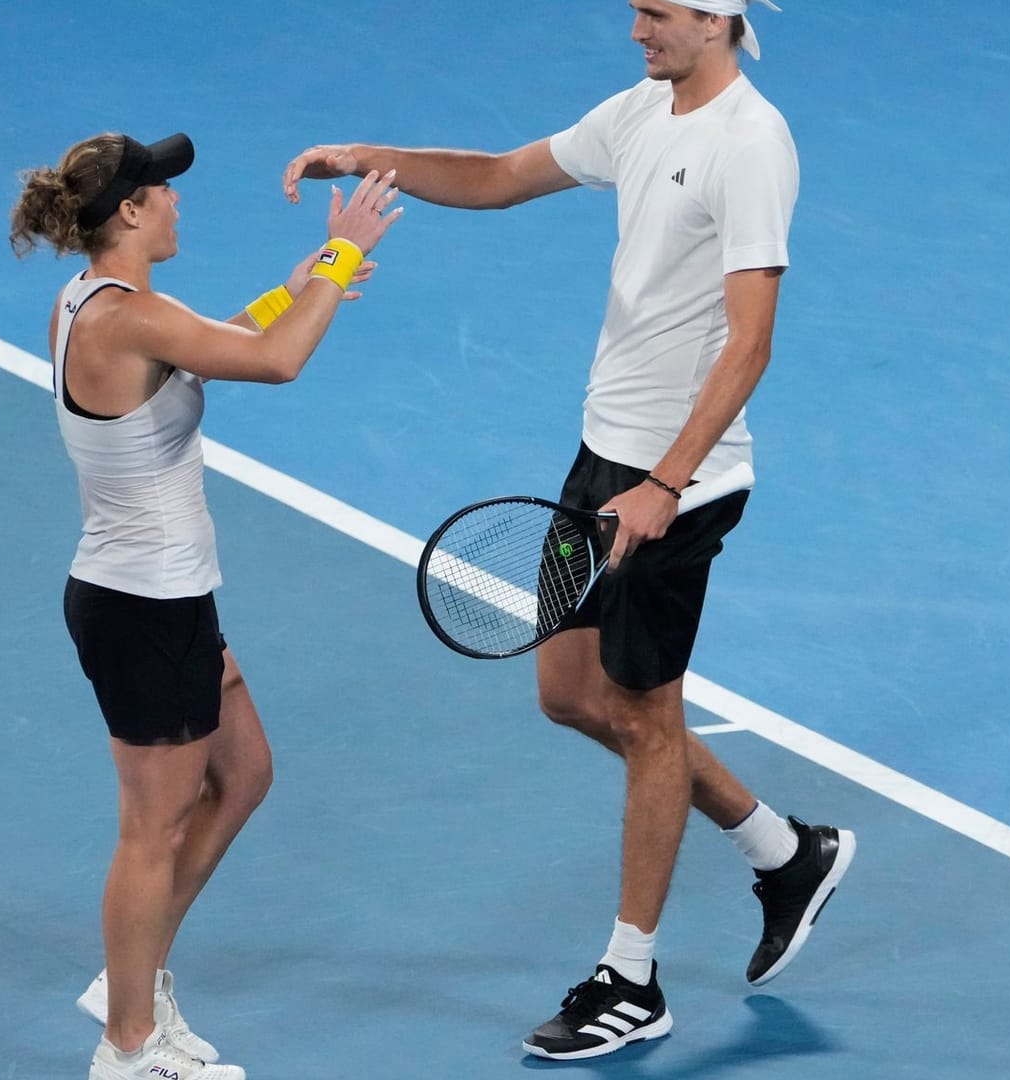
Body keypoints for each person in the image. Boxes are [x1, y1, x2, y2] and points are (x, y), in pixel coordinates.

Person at [282, 0, 853, 1060]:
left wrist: (668, 485)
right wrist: (372, 158)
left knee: (643, 717)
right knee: (570, 694)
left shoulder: (752, 143)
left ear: (718, 19)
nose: (637, 29)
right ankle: (785, 851)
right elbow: (501, 175)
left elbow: (752, 341)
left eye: (658, 12)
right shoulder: (644, 109)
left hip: (675, 483)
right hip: (601, 456)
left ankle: (632, 978)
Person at [11, 130, 401, 1080]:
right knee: (151, 829)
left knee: (248, 773)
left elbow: (209, 352)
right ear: (132, 212)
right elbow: (273, 363)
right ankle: (128, 1046)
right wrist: (342, 253)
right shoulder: (126, 317)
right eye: (164, 191)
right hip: (142, 607)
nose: (180, 201)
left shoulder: (101, 303)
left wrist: (298, 289)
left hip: (164, 601)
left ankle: (128, 978)